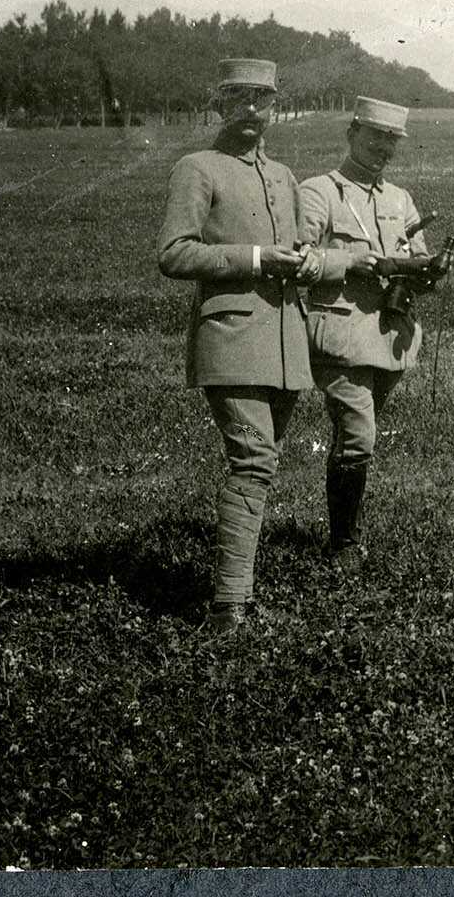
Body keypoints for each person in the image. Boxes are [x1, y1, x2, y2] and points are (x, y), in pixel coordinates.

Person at [157, 57, 313, 633]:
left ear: (275, 107)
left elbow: (296, 248)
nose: (252, 109)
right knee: (254, 461)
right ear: (219, 104)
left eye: (263, 99)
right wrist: (253, 259)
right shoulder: (197, 169)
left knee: (261, 466)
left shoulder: (283, 177)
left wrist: (305, 261)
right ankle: (228, 606)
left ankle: (235, 594)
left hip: (285, 344)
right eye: (239, 98)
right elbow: (174, 252)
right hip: (230, 341)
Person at [295, 97, 447, 559]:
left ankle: (343, 528)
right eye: (375, 135)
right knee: (360, 435)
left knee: (355, 437)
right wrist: (350, 262)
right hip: (341, 337)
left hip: (389, 339)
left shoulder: (399, 199)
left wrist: (430, 271)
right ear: (352, 132)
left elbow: (415, 261)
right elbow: (298, 261)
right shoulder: (318, 191)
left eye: (392, 139)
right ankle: (343, 545)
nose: (384, 147)